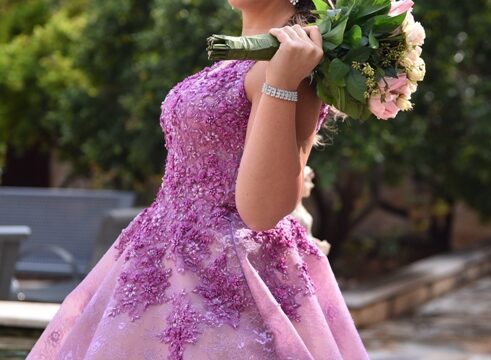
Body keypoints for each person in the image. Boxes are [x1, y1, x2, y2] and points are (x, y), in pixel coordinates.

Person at [26, 0, 370, 359]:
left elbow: (263, 210)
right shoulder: (243, 57)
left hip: (226, 284)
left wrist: (282, 81)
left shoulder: (291, 63)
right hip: (157, 258)